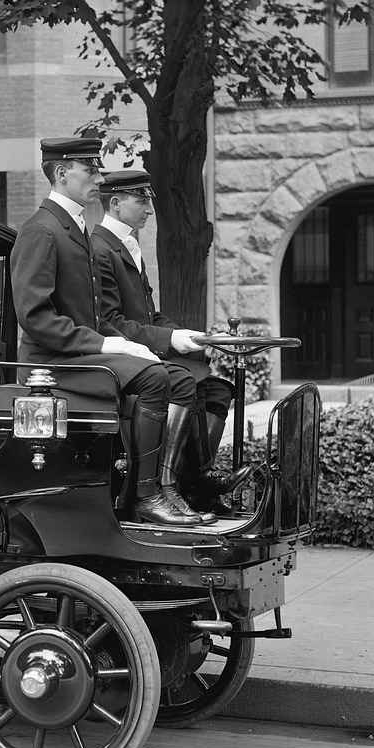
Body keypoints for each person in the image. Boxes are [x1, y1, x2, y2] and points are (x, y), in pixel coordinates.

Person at [10, 137, 198, 526]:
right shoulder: (42, 230)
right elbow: (35, 316)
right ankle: (143, 496)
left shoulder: (72, 226)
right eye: (90, 170)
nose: (98, 177)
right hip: (50, 363)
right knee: (153, 378)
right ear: (62, 174)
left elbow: (93, 313)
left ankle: (168, 486)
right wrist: (106, 342)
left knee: (178, 378)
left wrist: (125, 343)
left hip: (77, 354)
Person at [90, 169, 250, 517]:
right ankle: (163, 488)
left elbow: (150, 315)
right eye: (141, 200)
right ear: (115, 204)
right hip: (122, 356)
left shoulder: (129, 247)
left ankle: (198, 481)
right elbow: (111, 321)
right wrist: (169, 339)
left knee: (218, 389)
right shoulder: (100, 248)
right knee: (183, 381)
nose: (149, 208)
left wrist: (193, 337)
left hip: (144, 347)